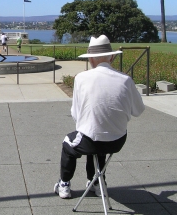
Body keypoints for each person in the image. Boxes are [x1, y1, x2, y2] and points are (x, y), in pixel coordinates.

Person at [54, 35, 145, 199]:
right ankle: (96, 182)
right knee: (98, 138)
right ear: (111, 57)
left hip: (91, 140)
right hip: (117, 141)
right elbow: (138, 111)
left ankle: (64, 184)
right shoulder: (126, 80)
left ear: (91, 59)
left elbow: (76, 113)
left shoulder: (81, 78)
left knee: (70, 143)